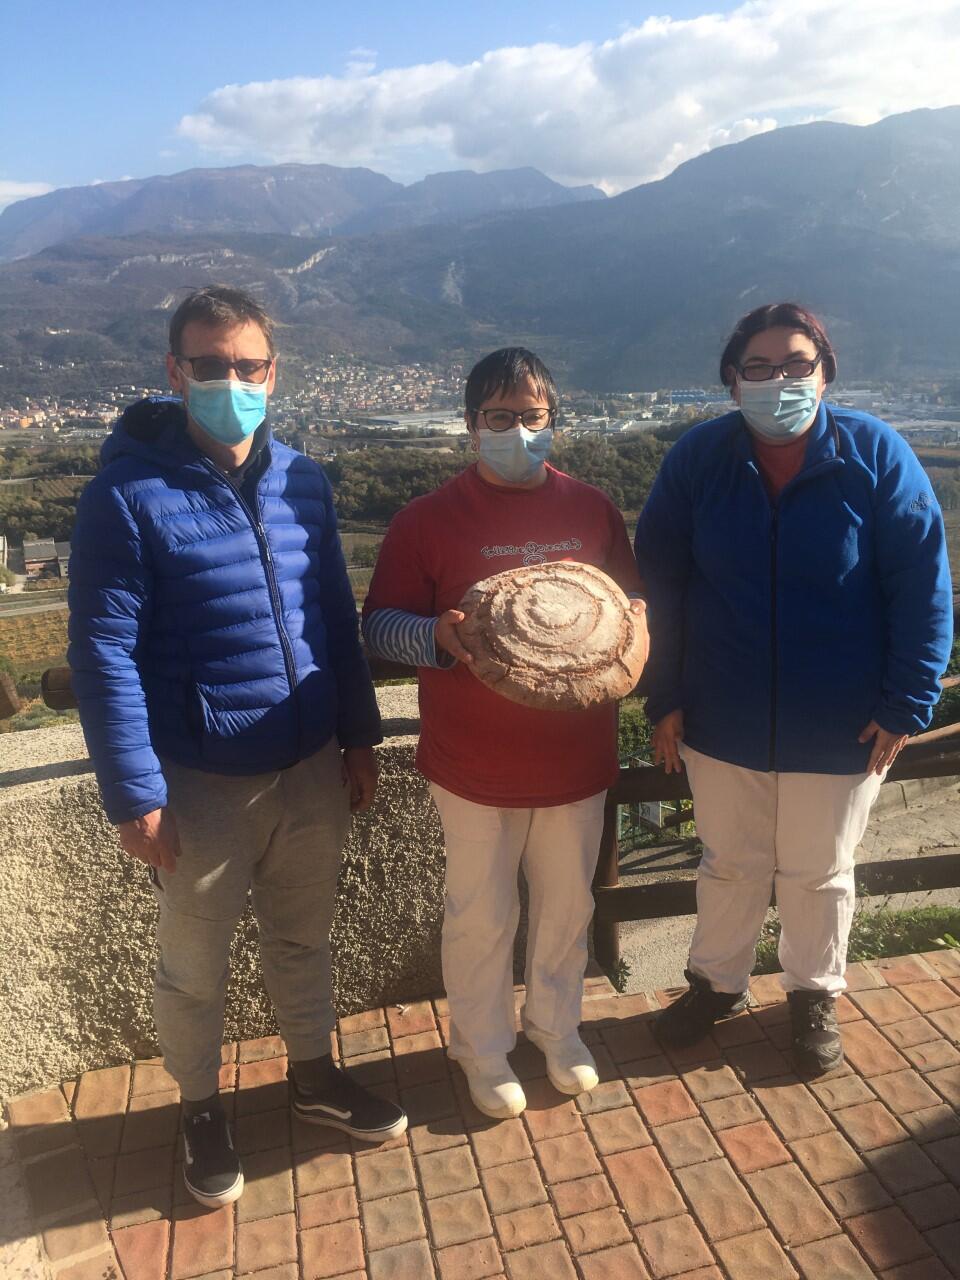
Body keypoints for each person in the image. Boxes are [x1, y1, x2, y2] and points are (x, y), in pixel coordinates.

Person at [68, 285, 406, 1208]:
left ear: (273, 371)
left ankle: (312, 1076)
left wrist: (361, 735)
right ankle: (201, 1109)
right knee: (194, 964)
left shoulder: (304, 479)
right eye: (208, 365)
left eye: (247, 366)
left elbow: (334, 614)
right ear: (174, 373)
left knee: (304, 939)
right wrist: (133, 793)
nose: (230, 381)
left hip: (308, 764)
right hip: (199, 780)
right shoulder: (125, 497)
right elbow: (101, 652)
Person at [634, 301, 953, 1075]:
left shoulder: (874, 453)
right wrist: (665, 693)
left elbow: (922, 585)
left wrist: (906, 703)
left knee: (820, 869)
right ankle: (717, 984)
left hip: (842, 724)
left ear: (825, 370)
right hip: (720, 715)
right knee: (729, 861)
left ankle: (814, 994)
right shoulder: (699, 460)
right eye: (760, 367)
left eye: (796, 364)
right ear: (732, 379)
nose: (780, 380)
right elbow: (660, 584)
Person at [362, 347, 647, 1119]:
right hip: (471, 766)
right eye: (499, 418)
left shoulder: (590, 511)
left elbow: (628, 613)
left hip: (575, 761)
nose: (516, 431)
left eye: (531, 417)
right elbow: (379, 627)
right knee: (482, 914)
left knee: (567, 907)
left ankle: (557, 1029)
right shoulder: (426, 520)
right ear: (470, 425)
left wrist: (635, 636)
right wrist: (438, 637)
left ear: (553, 419)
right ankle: (481, 1049)